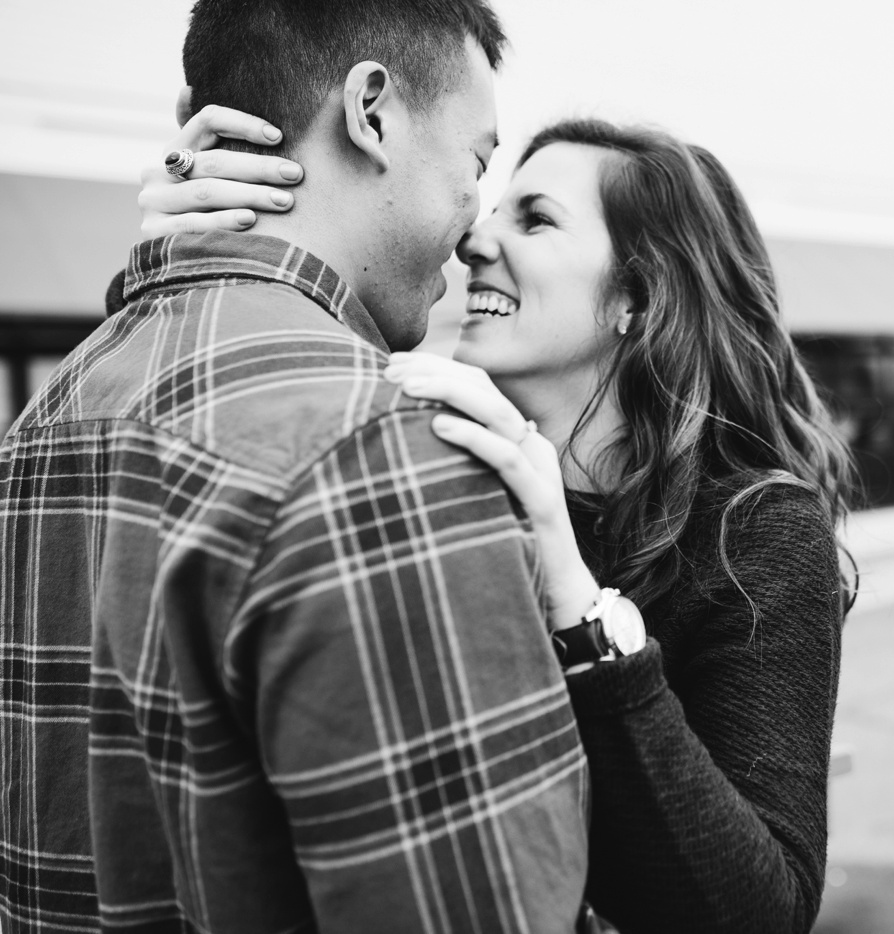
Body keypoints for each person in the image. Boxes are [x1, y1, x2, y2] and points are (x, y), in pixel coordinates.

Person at [144, 110, 858, 933]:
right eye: (491, 205)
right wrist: (202, 250)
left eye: (536, 218)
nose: (475, 240)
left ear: (639, 294)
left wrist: (579, 607)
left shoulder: (757, 532)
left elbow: (763, 912)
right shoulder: (436, 466)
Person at [0, 2, 591, 933]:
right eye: (476, 164)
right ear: (372, 112)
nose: (474, 225)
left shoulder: (48, 415)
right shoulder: (382, 447)